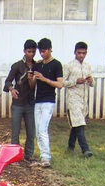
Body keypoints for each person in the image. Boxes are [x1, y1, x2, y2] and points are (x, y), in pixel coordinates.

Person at [31, 38, 64, 168]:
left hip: (48, 101)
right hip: (38, 100)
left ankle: (46, 157)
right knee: (38, 130)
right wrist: (32, 78)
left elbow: (60, 84)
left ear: (50, 49)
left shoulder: (56, 64)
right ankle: (42, 155)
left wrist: (45, 79)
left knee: (43, 128)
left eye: (44, 51)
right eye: (41, 51)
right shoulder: (38, 65)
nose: (42, 54)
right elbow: (32, 84)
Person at [3, 39, 37, 161]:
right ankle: (14, 156)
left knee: (31, 131)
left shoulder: (36, 65)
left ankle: (29, 155)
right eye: (29, 51)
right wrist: (12, 89)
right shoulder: (17, 65)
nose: (31, 54)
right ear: (24, 51)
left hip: (30, 102)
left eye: (33, 52)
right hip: (18, 103)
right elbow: (7, 81)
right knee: (15, 131)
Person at [64, 41, 94, 157]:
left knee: (76, 124)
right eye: (79, 53)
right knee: (80, 124)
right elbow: (62, 82)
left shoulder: (87, 66)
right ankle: (85, 149)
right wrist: (75, 81)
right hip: (73, 99)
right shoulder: (69, 66)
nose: (81, 55)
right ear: (75, 52)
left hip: (83, 100)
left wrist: (91, 81)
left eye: (84, 53)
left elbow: (92, 84)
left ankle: (70, 146)